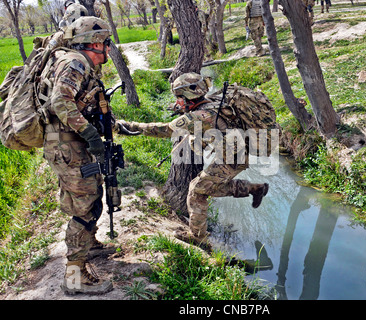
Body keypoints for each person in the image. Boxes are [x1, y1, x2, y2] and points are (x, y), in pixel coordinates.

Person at [116, 73, 275, 249]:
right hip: (237, 154)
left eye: (179, 98)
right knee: (209, 187)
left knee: (196, 190)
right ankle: (255, 189)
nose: (178, 101)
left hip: (231, 159)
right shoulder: (213, 101)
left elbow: (164, 130)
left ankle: (198, 237)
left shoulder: (200, 116)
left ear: (188, 96)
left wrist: (129, 126)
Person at [39, 16, 117, 295]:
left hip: (68, 144)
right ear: (94, 43)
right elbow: (60, 101)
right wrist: (91, 135)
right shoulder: (77, 63)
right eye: (106, 43)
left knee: (84, 197)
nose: (108, 49)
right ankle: (74, 276)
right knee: (86, 206)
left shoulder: (76, 61)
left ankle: (88, 244)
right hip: (69, 145)